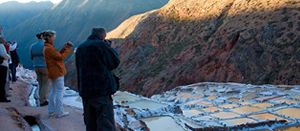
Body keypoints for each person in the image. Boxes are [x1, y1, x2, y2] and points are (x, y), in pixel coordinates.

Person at [75, 28, 120, 131]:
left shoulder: (81, 47)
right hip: (101, 90)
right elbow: (114, 62)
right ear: (103, 35)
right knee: (105, 122)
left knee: (90, 122)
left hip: (85, 90)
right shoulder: (101, 46)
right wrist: (111, 48)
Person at [43, 30, 73, 118]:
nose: (55, 38)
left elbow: (56, 55)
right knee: (60, 91)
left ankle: (51, 110)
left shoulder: (47, 47)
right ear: (50, 37)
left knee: (54, 91)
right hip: (57, 71)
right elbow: (60, 58)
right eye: (53, 36)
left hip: (52, 72)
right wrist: (68, 49)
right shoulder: (49, 48)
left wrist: (64, 48)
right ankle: (59, 112)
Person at [30, 33, 49, 106]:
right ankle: (43, 100)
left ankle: (39, 98)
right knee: (45, 84)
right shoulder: (45, 45)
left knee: (40, 83)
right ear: (42, 37)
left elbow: (31, 57)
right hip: (44, 66)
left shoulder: (32, 46)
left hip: (36, 66)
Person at [0, 37, 10, 102]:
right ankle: (2, 98)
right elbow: (3, 54)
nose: (5, 41)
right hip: (2, 64)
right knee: (2, 82)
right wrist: (8, 56)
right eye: (4, 40)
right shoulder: (1, 46)